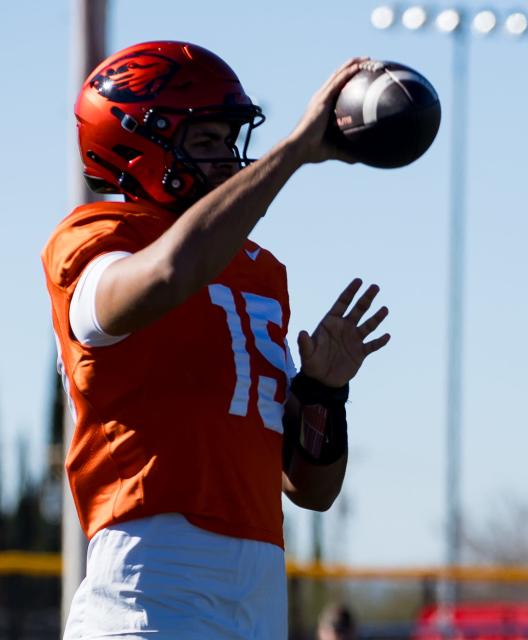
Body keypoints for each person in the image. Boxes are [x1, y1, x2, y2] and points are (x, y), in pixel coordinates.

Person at [42, 41, 389, 639]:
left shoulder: (256, 268)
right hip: (149, 592)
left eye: (231, 140)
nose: (229, 159)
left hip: (257, 596)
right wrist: (295, 153)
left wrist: (323, 393)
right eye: (205, 141)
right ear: (136, 144)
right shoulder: (95, 238)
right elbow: (167, 274)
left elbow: (310, 489)